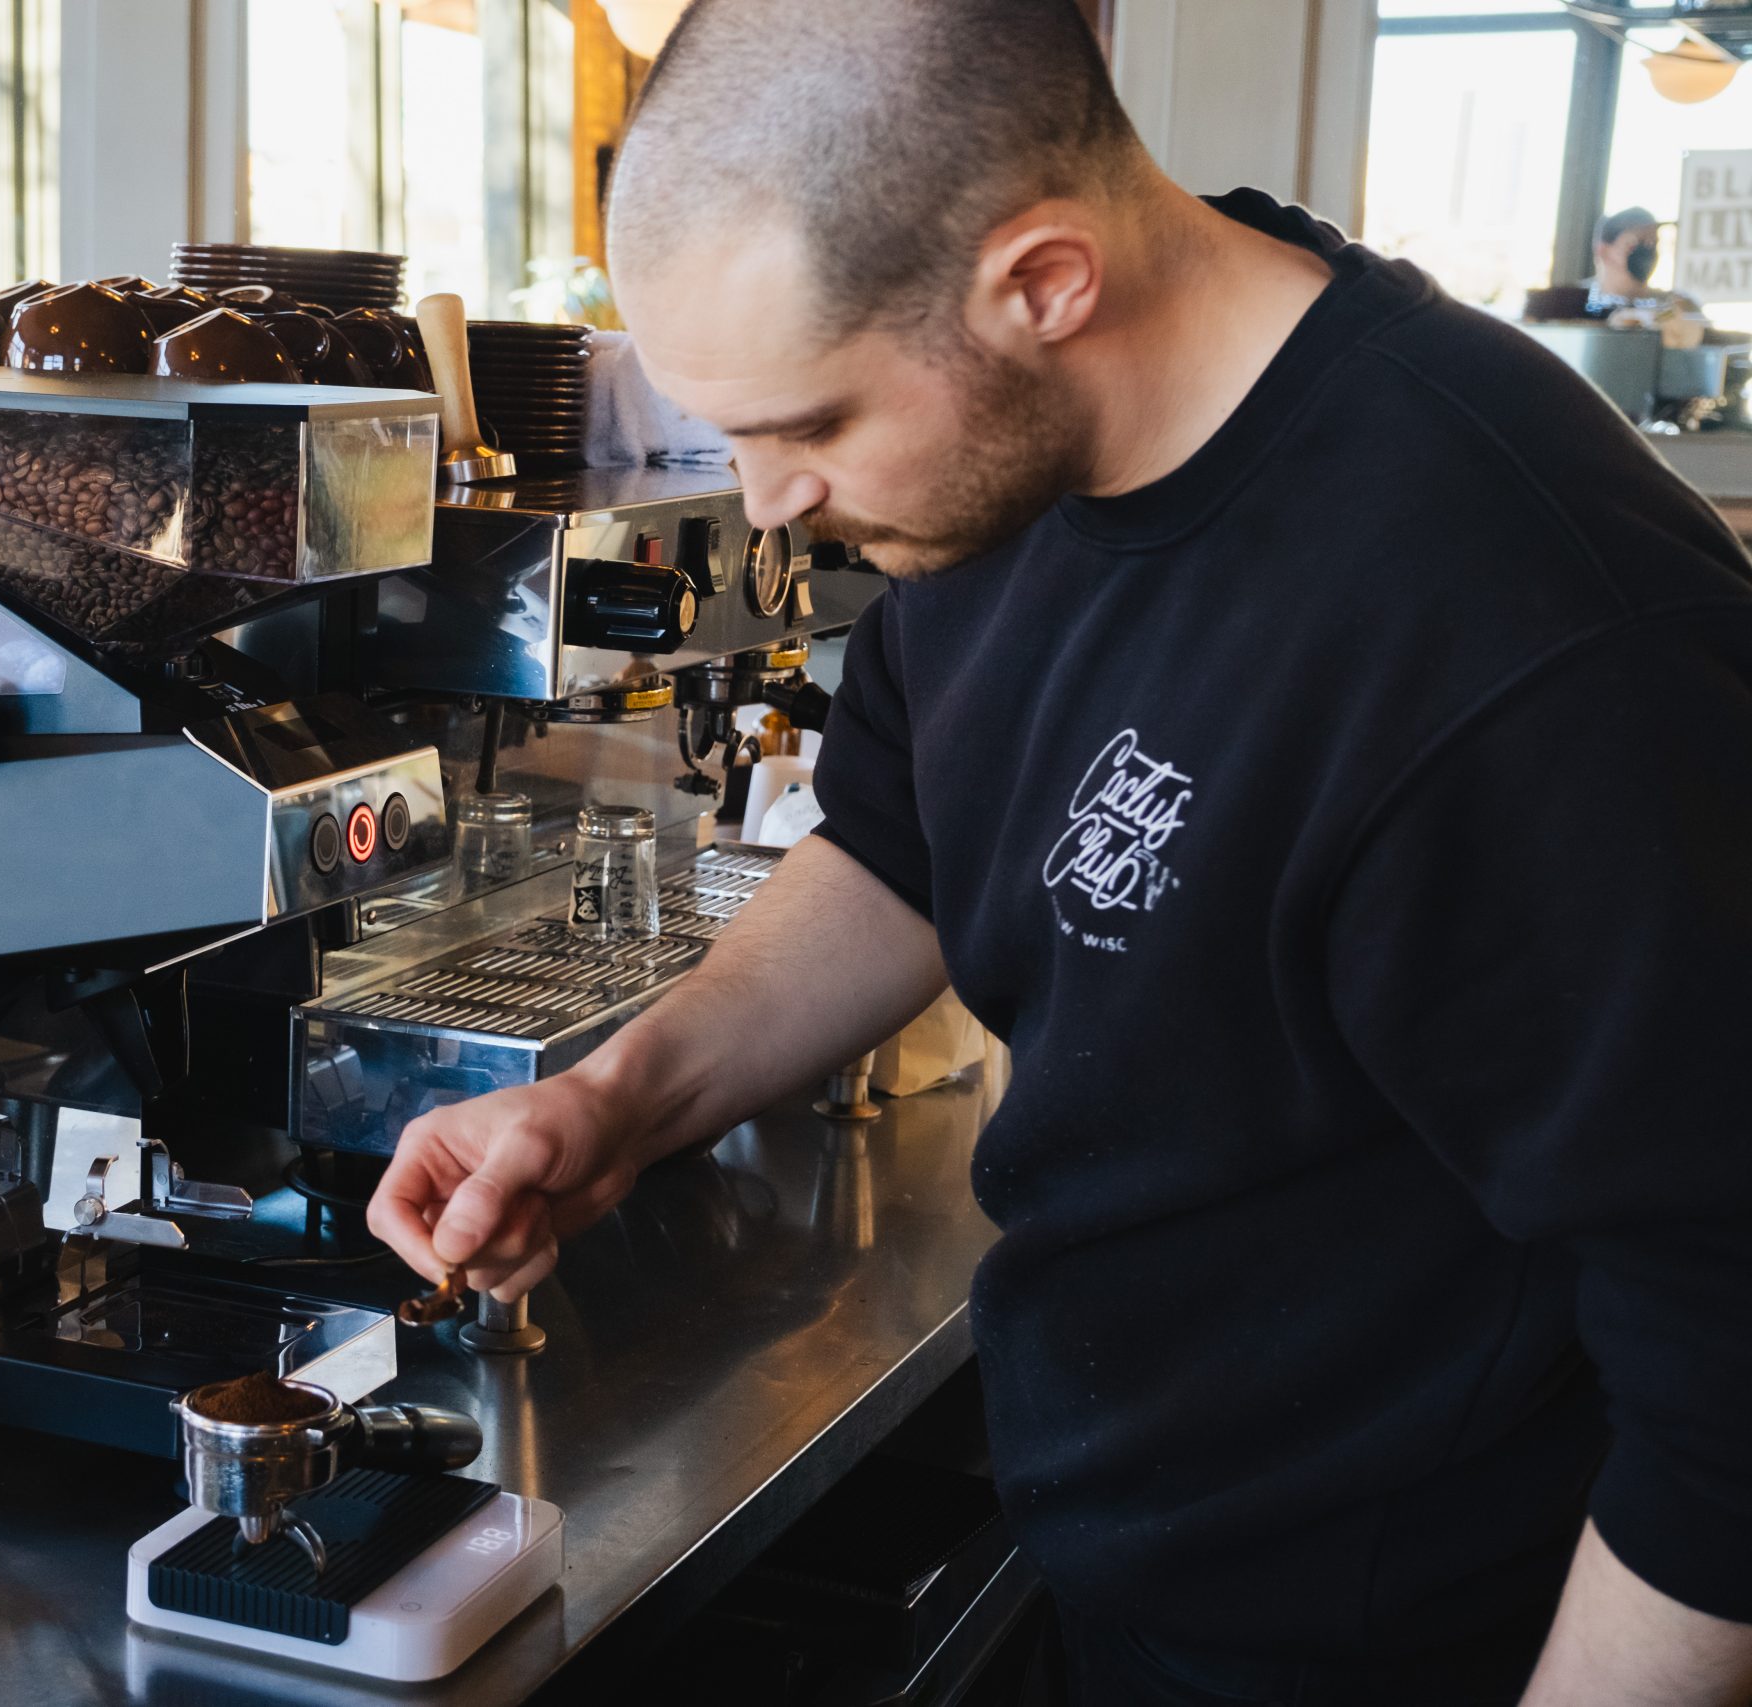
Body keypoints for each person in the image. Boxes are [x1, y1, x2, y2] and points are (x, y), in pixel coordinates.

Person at [363, 3, 1752, 1703]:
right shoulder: (997, 469)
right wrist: (612, 1103)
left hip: (1424, 1646)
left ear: (1042, 282)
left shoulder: (1526, 629)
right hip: (1127, 1579)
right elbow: (897, 841)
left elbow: (1729, 1351)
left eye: (806, 423)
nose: (770, 497)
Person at [1588, 205, 1701, 318]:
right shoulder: (1577, 302)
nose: (1647, 250)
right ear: (1604, 251)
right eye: (1637, 242)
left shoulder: (1678, 305)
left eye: (1653, 243)